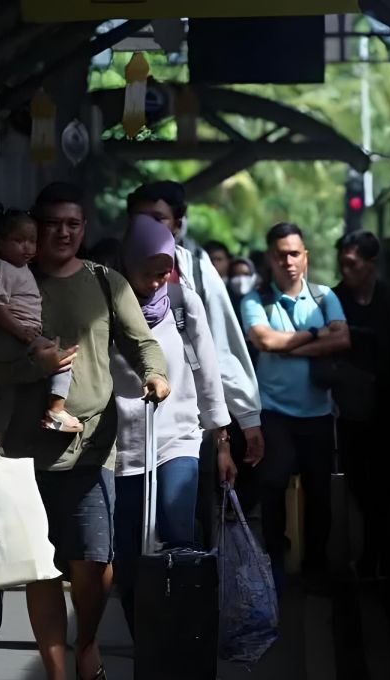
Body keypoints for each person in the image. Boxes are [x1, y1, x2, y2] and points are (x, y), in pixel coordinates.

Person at [0, 182, 169, 680]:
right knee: (39, 566)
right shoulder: (5, 282)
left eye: (72, 224)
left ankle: (88, 641)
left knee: (93, 564)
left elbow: (142, 342)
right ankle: (57, 666)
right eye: (52, 223)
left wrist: (155, 375)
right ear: (34, 228)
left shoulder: (106, 282)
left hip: (89, 447)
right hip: (18, 450)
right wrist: (34, 369)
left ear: (84, 229)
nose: (62, 232)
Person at [111, 215, 236, 636]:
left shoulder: (184, 301)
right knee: (126, 553)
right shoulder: (107, 304)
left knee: (177, 532)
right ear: (128, 264)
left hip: (178, 439)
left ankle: (180, 634)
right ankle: (142, 633)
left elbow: (208, 372)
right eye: (148, 272)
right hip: (122, 448)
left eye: (164, 270)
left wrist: (221, 438)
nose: (158, 280)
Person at [127, 182, 264, 546]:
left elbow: (219, 351)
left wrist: (241, 421)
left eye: (158, 218)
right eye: (140, 219)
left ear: (178, 223)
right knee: (126, 543)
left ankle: (182, 596)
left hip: (184, 431)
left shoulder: (193, 277)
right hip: (121, 441)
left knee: (181, 532)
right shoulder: (106, 281)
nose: (150, 227)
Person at [240, 222, 351, 589]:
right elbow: (265, 342)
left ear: (305, 257)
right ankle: (275, 560)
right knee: (271, 487)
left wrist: (292, 346)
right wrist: (318, 335)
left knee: (320, 495)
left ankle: (315, 566)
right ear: (270, 259)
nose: (288, 261)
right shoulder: (255, 301)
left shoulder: (324, 297)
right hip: (274, 413)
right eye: (281, 254)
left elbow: (343, 340)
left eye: (294, 253)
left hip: (318, 413)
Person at [332, 231, 390, 578]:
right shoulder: (333, 301)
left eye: (352, 264)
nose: (346, 270)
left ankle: (379, 554)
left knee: (384, 483)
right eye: (342, 263)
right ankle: (370, 548)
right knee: (356, 481)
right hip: (348, 410)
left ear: (371, 264)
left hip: (386, 409)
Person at [0, 205, 81, 435]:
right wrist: (19, 331)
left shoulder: (21, 268)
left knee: (8, 393)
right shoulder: (3, 268)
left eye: (32, 241)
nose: (27, 247)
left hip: (17, 336)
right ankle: (56, 412)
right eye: (19, 240)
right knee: (61, 360)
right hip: (7, 336)